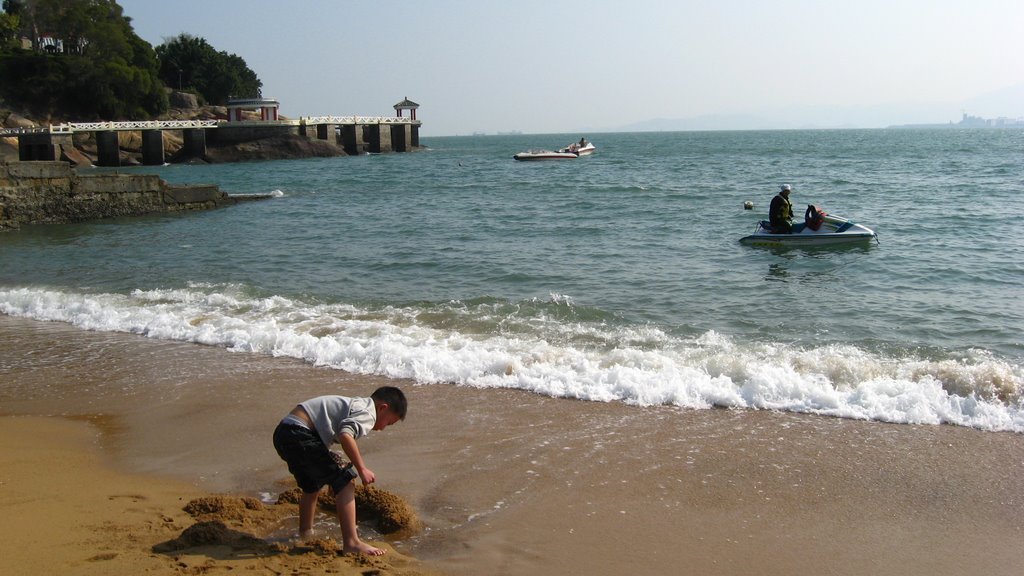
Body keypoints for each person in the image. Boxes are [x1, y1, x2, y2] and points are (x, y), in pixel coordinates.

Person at [273, 386, 407, 555]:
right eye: (388, 422)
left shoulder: (356, 404)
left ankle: (305, 532)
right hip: (300, 434)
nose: (383, 428)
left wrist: (330, 473)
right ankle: (352, 542)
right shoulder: (368, 413)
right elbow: (345, 435)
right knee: (346, 480)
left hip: (285, 433)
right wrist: (362, 469)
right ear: (383, 408)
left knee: (312, 485)